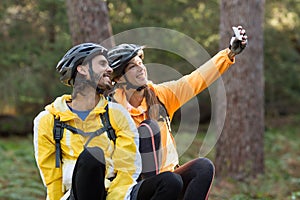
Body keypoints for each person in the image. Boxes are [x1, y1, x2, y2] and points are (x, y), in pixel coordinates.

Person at [107, 26, 248, 199]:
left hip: (170, 179)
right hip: (134, 187)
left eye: (140, 63)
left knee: (203, 167)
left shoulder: (161, 96)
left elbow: (196, 80)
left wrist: (228, 54)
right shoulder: (111, 110)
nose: (141, 68)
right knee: (150, 135)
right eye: (132, 67)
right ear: (118, 78)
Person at [33, 43, 183, 200]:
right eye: (102, 64)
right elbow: (52, 179)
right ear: (82, 69)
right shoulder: (47, 120)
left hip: (117, 194)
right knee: (92, 156)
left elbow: (127, 169)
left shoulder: (117, 114)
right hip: (76, 194)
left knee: (171, 181)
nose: (110, 69)